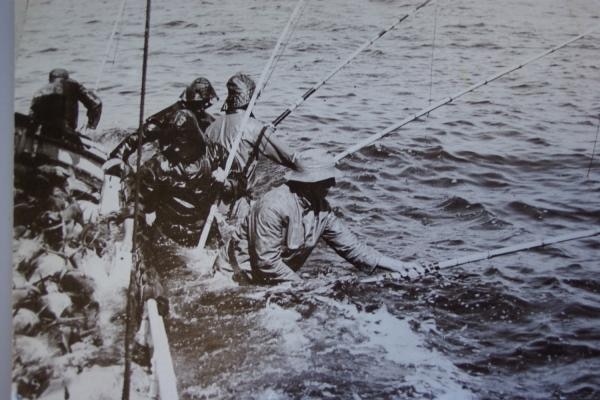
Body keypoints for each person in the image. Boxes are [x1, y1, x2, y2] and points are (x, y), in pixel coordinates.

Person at [214, 149, 425, 284]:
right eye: (326, 181)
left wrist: (397, 265)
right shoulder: (273, 206)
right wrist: (303, 286)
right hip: (237, 276)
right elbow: (266, 262)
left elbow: (351, 247)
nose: (332, 186)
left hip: (273, 277)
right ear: (308, 183)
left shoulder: (321, 209)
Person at [203, 73, 296, 222]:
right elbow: (289, 158)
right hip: (238, 200)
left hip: (215, 197)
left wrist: (263, 133)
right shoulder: (253, 127)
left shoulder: (211, 128)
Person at [109, 77, 218, 162]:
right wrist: (117, 157)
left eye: (205, 105)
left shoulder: (208, 120)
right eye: (201, 105)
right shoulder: (168, 115)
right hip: (171, 161)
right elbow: (138, 137)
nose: (203, 108)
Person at [29, 68, 102, 140]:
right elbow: (96, 104)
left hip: (47, 135)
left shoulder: (40, 92)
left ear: (50, 80)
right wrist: (90, 127)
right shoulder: (75, 86)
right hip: (69, 134)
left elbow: (32, 119)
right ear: (68, 79)